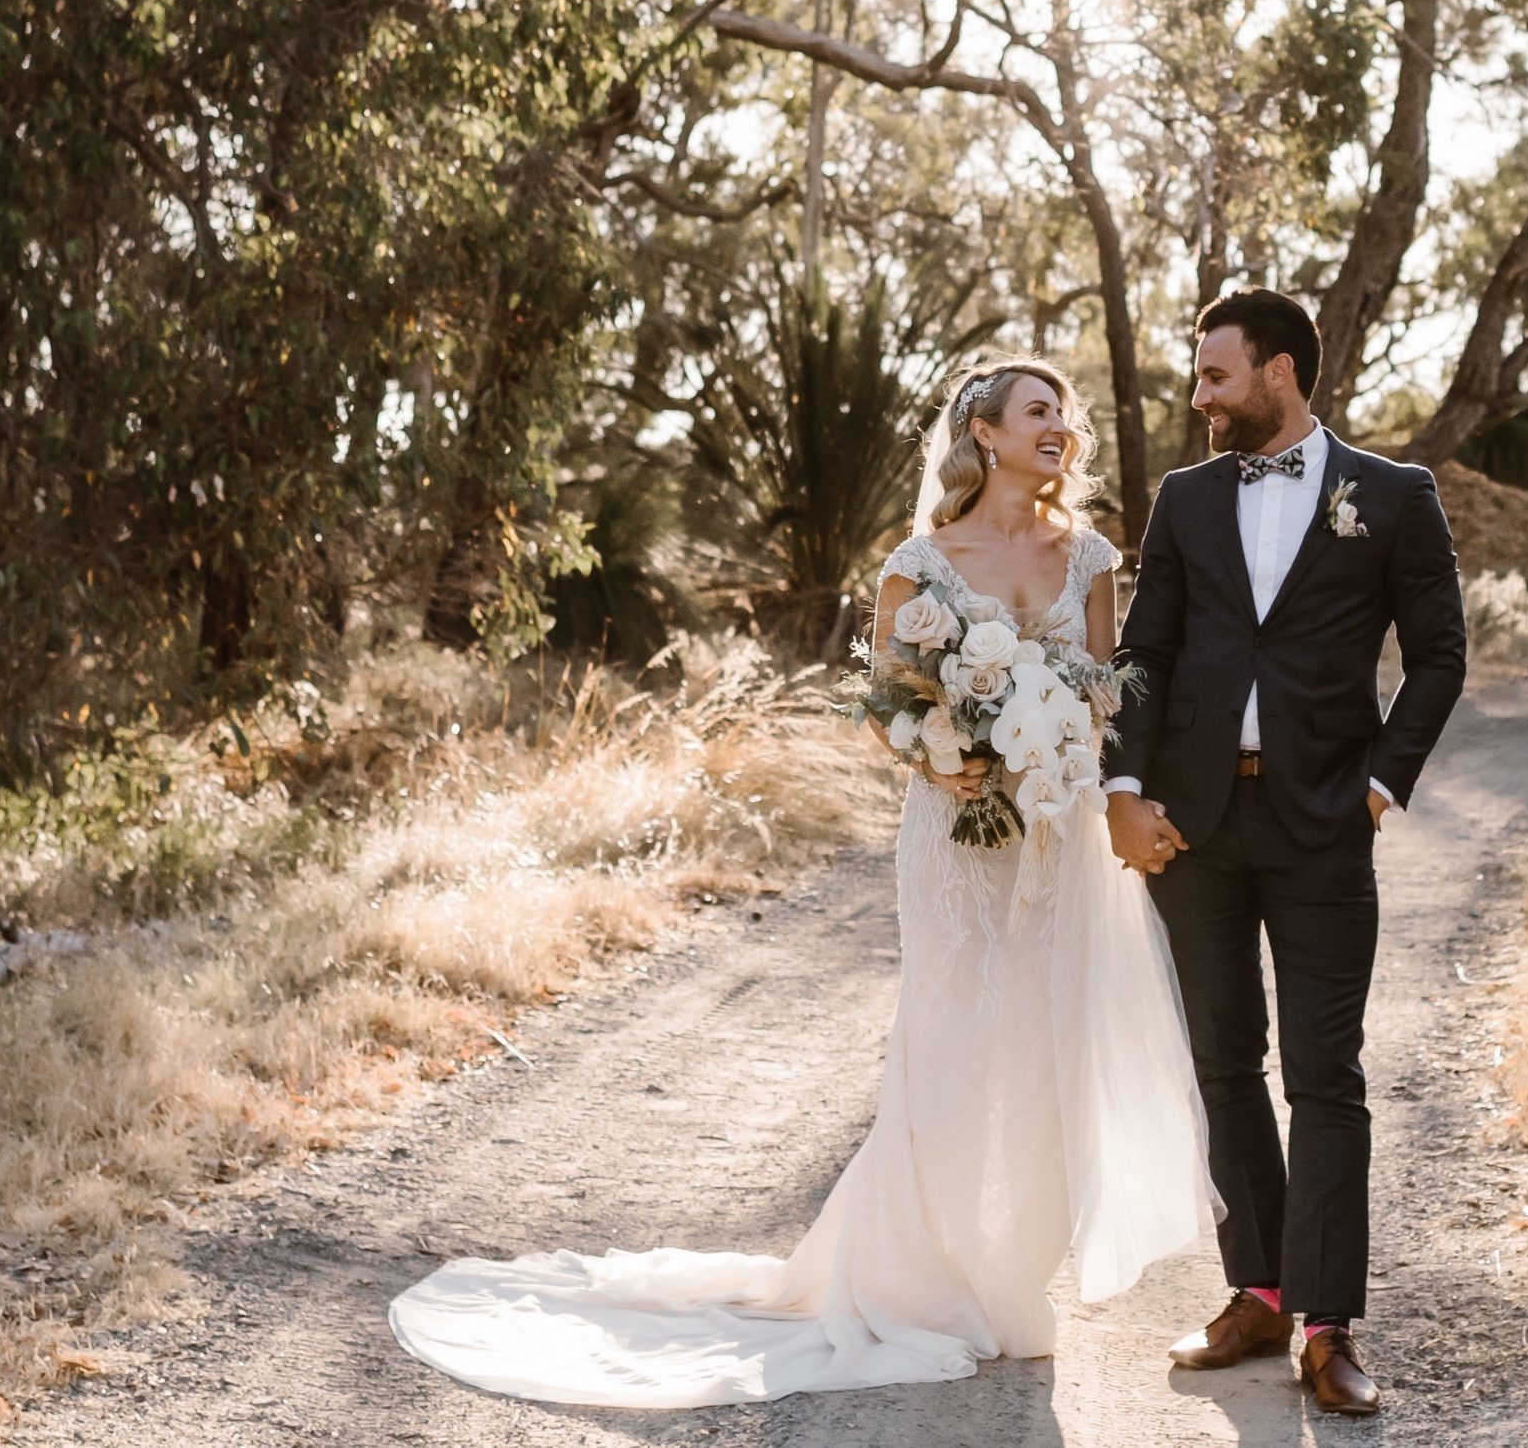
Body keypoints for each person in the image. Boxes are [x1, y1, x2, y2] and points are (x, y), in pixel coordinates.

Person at [387, 362, 1216, 1407]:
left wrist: (1060, 750)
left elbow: (1102, 698)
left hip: (1053, 834)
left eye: (1065, 414)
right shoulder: (919, 564)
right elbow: (886, 707)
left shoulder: (1088, 556)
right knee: (952, 1042)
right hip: (955, 836)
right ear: (984, 432)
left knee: (1046, 1053)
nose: (1061, 426)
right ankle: (921, 1277)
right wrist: (942, 758)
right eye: (1038, 411)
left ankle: (1010, 1277)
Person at [1104, 288, 1471, 1417]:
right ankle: (1256, 1292)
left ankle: (1326, 1325)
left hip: (1323, 825)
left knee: (1325, 1074)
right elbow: (1144, 649)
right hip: (1195, 825)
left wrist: (1379, 785)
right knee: (1223, 1062)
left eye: (1215, 374)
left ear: (1279, 371)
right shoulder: (1185, 498)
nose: (1199, 395)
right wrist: (1123, 787)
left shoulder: (1393, 496)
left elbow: (1440, 655)